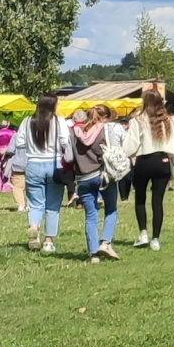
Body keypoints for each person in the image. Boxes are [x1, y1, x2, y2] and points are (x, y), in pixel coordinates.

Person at [123, 82, 174, 248]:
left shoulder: (138, 120)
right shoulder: (168, 120)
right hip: (162, 162)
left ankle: (143, 233)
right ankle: (156, 239)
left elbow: (131, 146)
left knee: (140, 199)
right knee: (157, 202)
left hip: (144, 162)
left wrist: (123, 155)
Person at [12, 97, 71, 252]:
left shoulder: (27, 121)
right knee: (53, 205)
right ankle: (49, 241)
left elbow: (19, 143)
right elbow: (65, 141)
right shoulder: (59, 121)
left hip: (33, 164)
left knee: (36, 203)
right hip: (55, 164)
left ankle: (34, 227)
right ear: (54, 105)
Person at [69, 103, 124, 261]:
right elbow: (116, 152)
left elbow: (68, 157)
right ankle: (105, 243)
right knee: (111, 209)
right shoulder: (107, 129)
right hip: (103, 175)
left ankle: (93, 254)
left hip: (83, 178)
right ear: (104, 117)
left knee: (91, 215)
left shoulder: (75, 131)